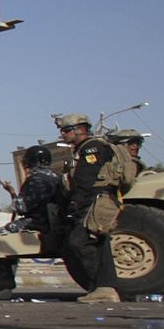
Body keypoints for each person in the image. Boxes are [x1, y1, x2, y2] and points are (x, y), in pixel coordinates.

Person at [0, 145, 66, 298]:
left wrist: (11, 192)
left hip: (36, 223)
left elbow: (21, 207)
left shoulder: (36, 180)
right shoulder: (57, 177)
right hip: (56, 223)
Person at [58, 114, 132, 303]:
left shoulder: (92, 148)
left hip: (96, 200)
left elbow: (86, 180)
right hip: (97, 200)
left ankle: (103, 288)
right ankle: (104, 288)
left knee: (80, 240)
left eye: (66, 130)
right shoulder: (85, 149)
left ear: (81, 129)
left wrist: (76, 204)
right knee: (96, 243)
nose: (63, 134)